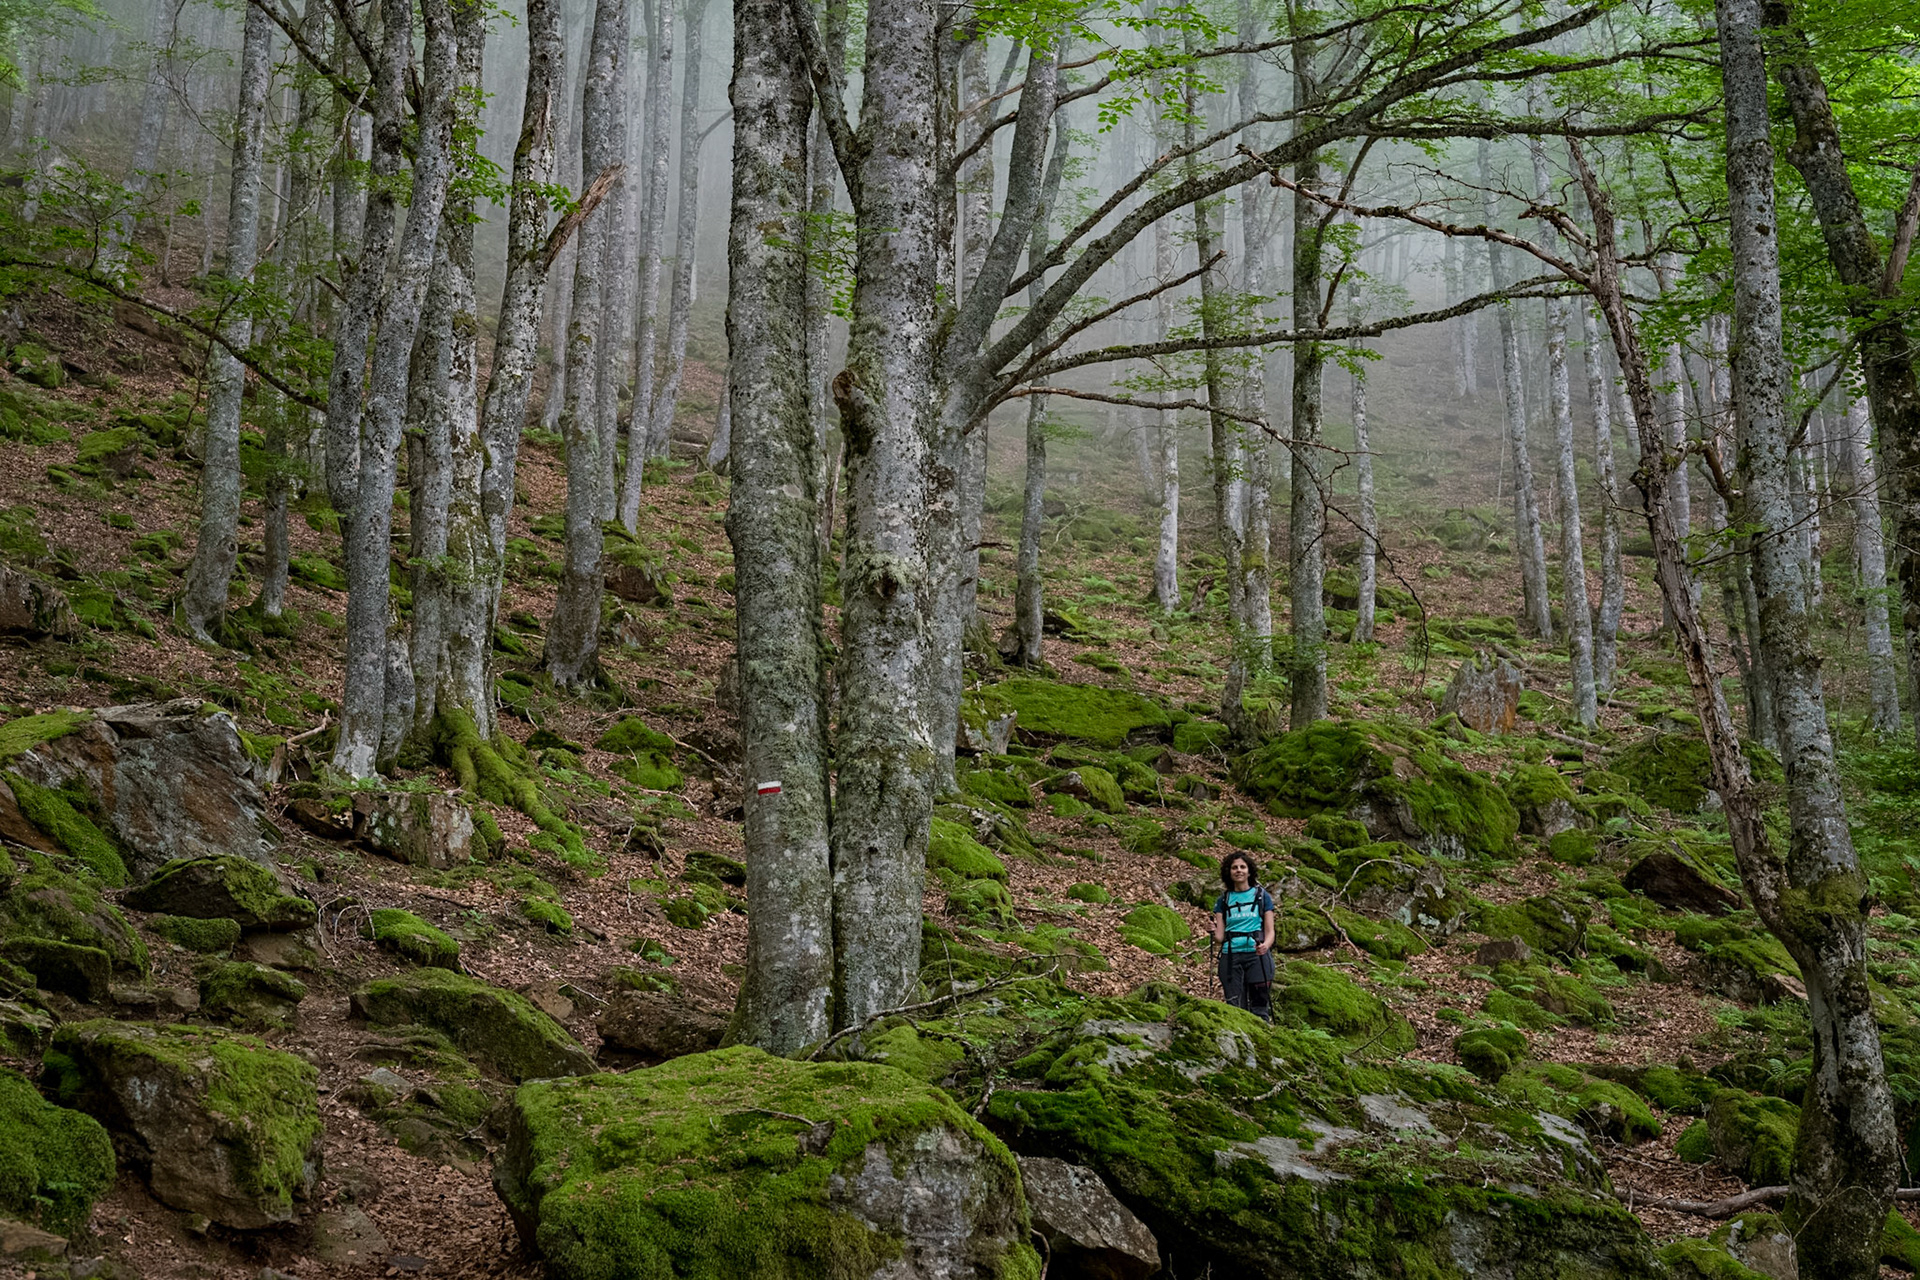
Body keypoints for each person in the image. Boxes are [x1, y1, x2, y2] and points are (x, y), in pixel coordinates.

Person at [1212, 852, 1276, 1019]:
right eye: (1234, 868)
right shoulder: (1223, 900)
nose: (1238, 870)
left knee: (1259, 1007)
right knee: (1235, 1008)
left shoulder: (1262, 896)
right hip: (1230, 957)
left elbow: (1270, 931)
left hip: (1257, 956)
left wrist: (1266, 945)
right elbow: (1219, 937)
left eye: (1242, 867)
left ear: (1249, 871)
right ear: (1228, 872)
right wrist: (1212, 931)